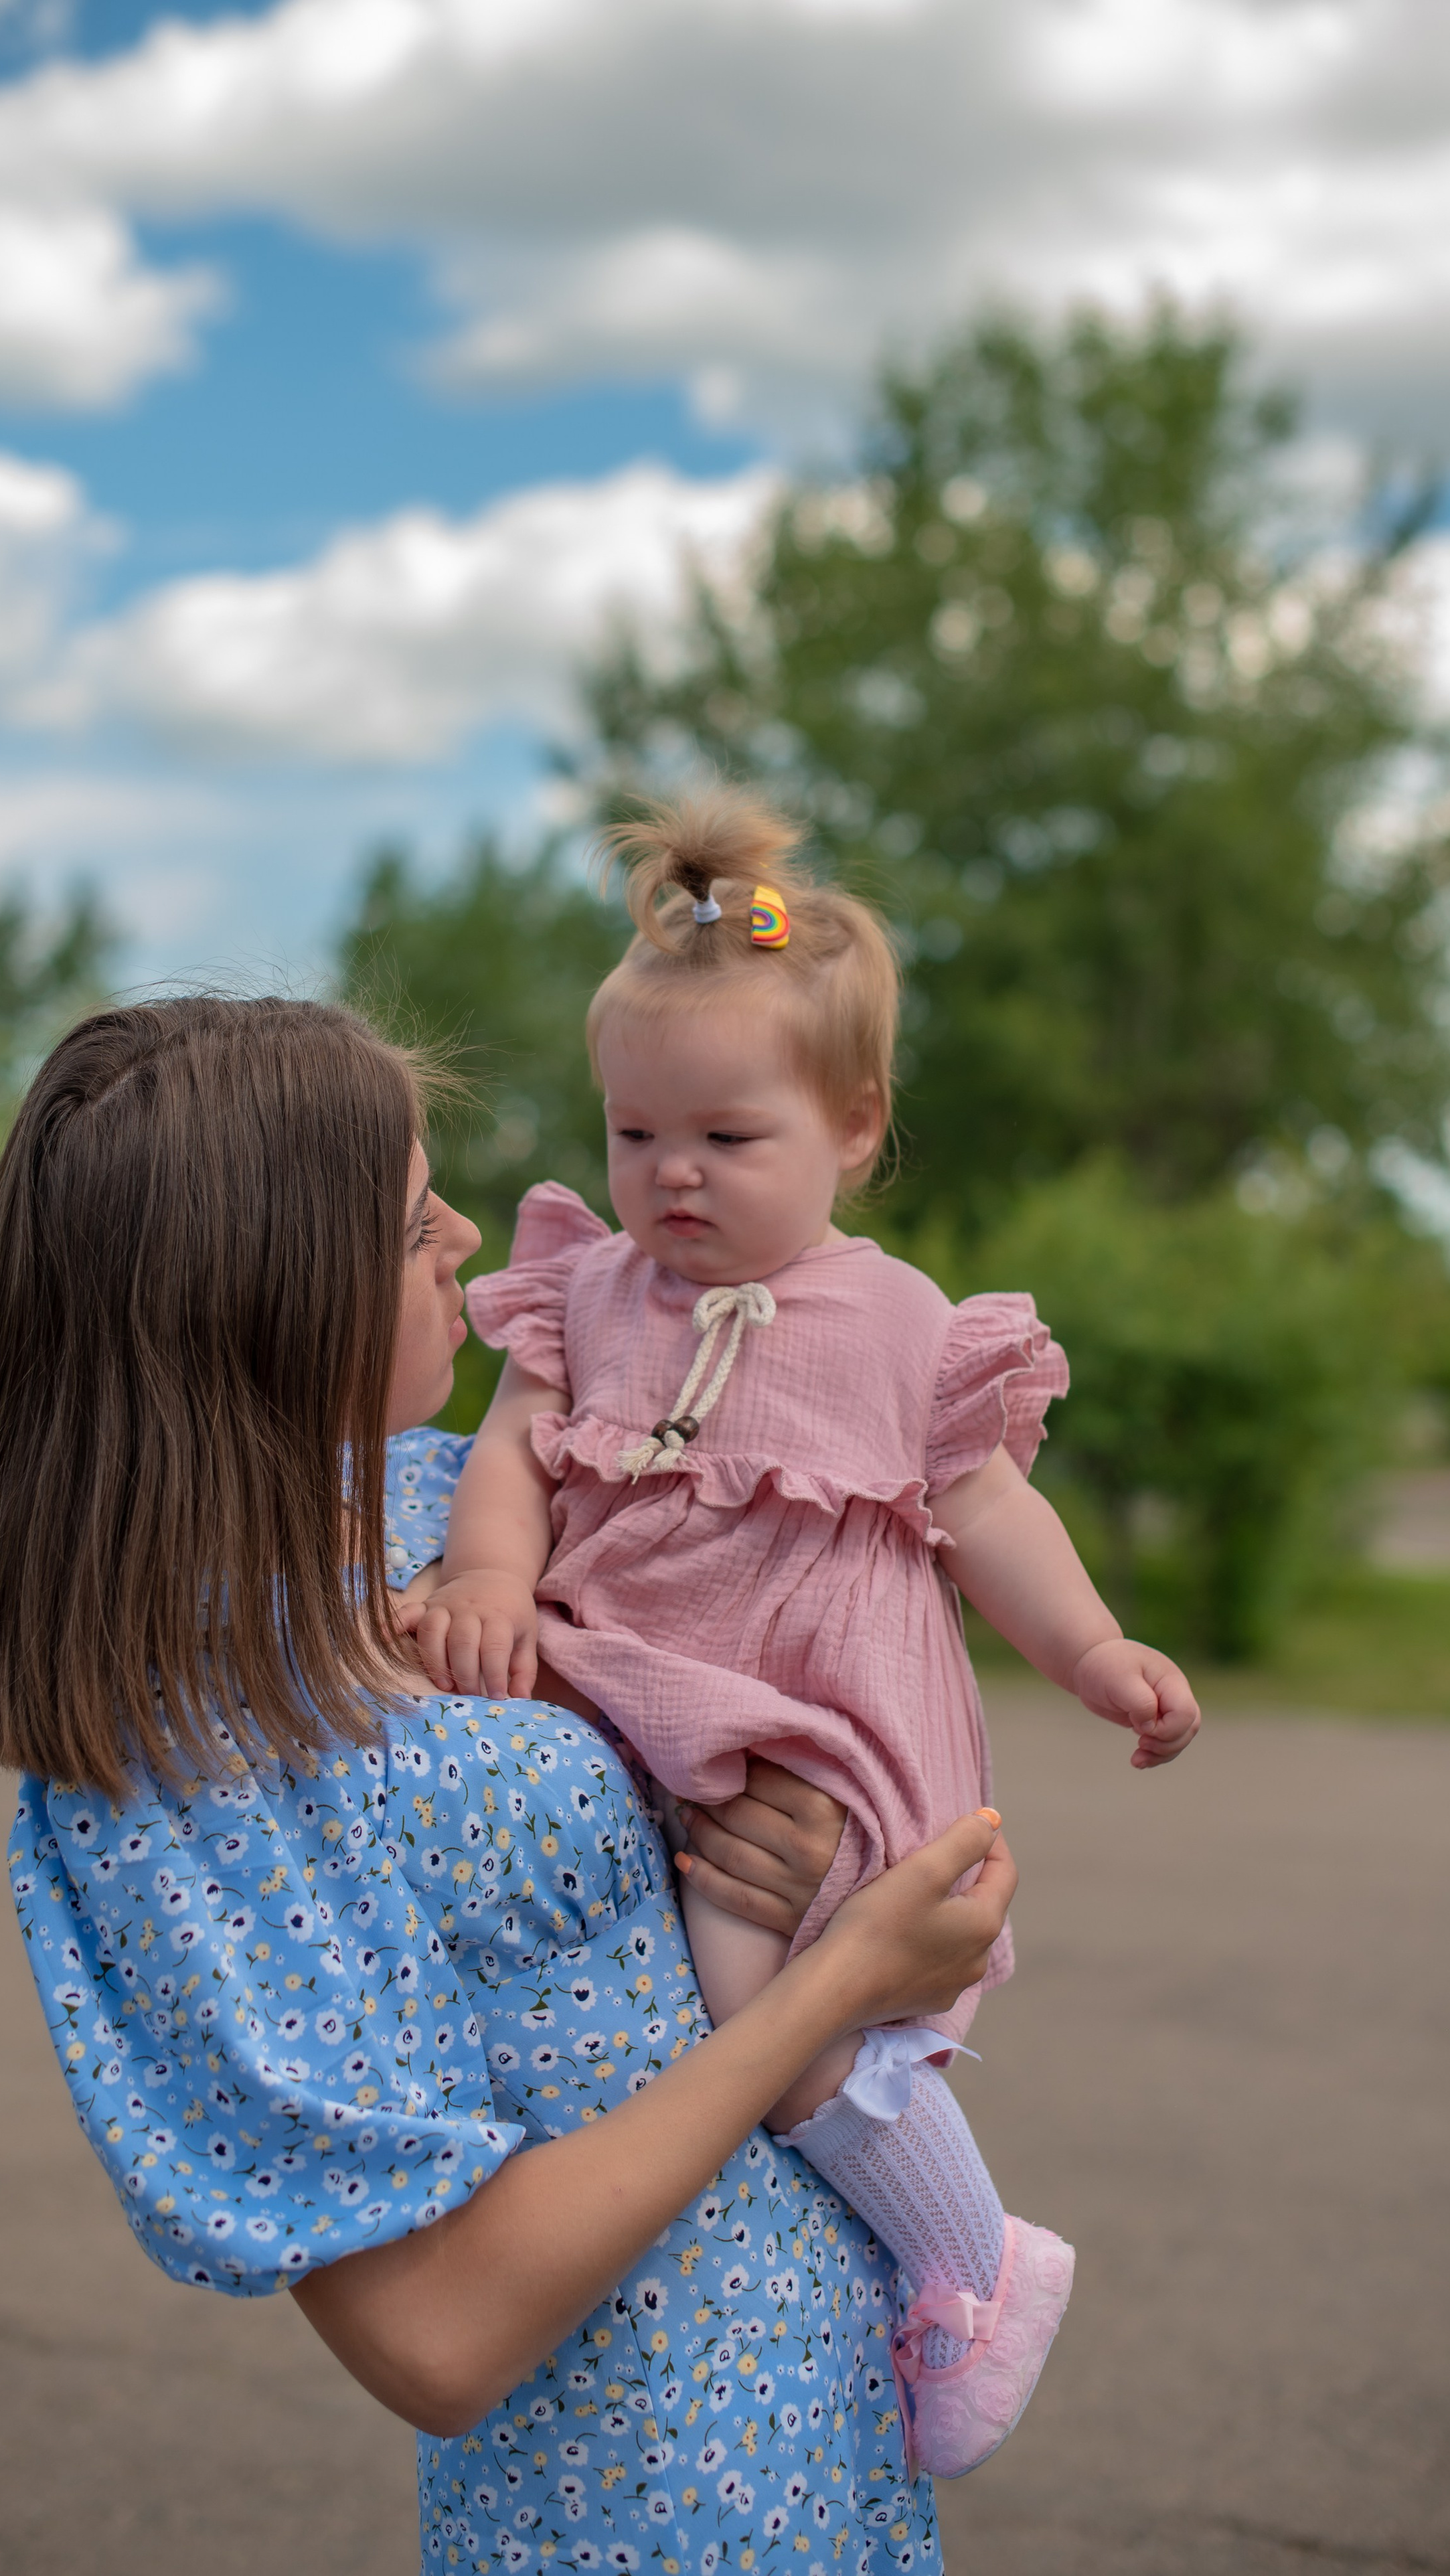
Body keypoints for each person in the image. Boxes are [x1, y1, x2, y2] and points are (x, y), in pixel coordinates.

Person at [0, 993, 1020, 2573]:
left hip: (821, 2415)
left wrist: (792, 1830)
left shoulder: (440, 1502)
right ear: (263, 1288)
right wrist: (836, 1984)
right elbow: (435, 2333)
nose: (460, 1228)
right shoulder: (183, 1750)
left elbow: (803, 1621)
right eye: (405, 1210)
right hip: (646, 2502)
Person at [402, 792, 1202, 2476]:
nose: (666, 1176)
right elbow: (508, 1455)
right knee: (693, 1986)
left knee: (761, 2000)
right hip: (634, 1670)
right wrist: (484, 1575)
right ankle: (898, 2252)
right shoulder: (585, 1289)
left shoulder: (907, 1323)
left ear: (851, 1126)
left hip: (807, 1716)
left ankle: (972, 2261)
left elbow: (987, 1515)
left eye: (723, 1138)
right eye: (633, 1135)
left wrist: (1093, 1653)